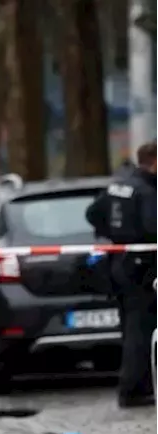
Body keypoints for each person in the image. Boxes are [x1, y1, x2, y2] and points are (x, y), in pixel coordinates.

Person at [85, 142, 158, 407]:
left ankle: (136, 385)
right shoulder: (146, 191)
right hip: (141, 268)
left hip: (119, 264)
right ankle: (133, 389)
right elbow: (153, 227)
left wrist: (115, 236)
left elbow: (93, 214)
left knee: (130, 328)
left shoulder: (119, 185)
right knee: (140, 330)